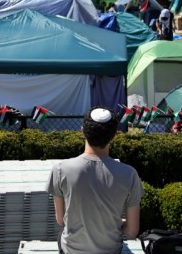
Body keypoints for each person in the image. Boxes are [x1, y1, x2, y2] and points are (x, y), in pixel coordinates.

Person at [45, 106, 144, 254]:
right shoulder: (129, 174)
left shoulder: (60, 169)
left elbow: (61, 220)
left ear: (83, 130)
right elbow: (131, 231)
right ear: (113, 136)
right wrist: (116, 222)